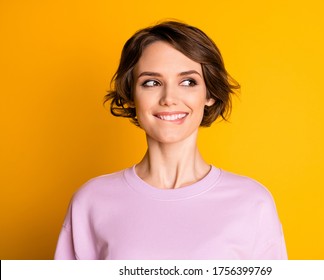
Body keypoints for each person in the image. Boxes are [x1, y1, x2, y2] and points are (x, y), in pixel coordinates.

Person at [54, 20, 287, 260]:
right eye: (152, 83)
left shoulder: (251, 201)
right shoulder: (92, 201)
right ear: (131, 95)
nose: (169, 98)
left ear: (209, 94)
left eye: (188, 82)